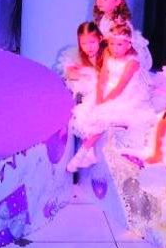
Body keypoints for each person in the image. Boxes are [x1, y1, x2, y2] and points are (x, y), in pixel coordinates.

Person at [68, 23, 159, 172]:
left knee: (103, 117)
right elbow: (103, 78)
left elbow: (121, 86)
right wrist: (99, 97)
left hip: (126, 95)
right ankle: (90, 154)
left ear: (128, 44)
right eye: (111, 44)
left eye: (119, 45)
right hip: (107, 90)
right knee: (87, 112)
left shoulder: (133, 62)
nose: (115, 48)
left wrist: (105, 102)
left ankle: (82, 153)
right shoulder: (107, 53)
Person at [91, 0, 152, 71]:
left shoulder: (119, 22)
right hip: (110, 48)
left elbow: (119, 44)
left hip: (121, 51)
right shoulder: (104, 17)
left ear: (117, 1)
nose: (100, 2)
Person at [59, 22, 104, 101]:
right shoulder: (77, 56)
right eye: (84, 44)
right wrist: (83, 76)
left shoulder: (106, 55)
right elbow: (70, 74)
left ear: (100, 39)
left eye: (92, 42)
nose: (88, 47)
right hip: (86, 96)